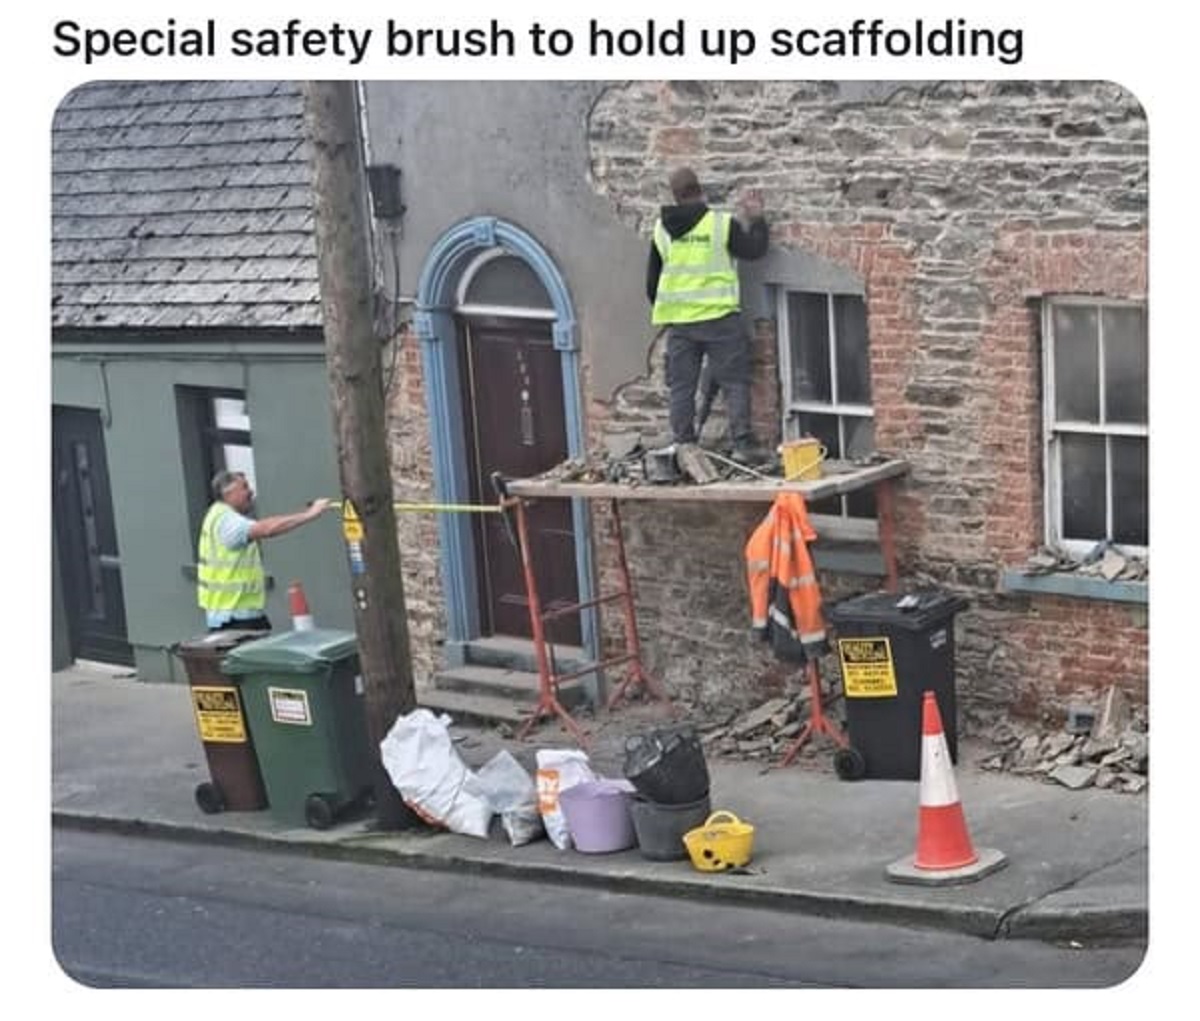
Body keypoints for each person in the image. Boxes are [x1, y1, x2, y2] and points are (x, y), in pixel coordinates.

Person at [646, 166, 769, 462]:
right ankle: (742, 444)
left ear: (675, 196)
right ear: (700, 190)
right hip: (720, 319)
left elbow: (652, 284)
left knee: (682, 387)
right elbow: (753, 250)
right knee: (734, 382)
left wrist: (673, 312)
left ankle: (684, 444)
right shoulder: (720, 224)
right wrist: (757, 219)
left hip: (681, 324)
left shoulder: (662, 230)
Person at [197, 470, 331, 632]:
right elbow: (267, 529)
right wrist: (309, 515)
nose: (251, 492)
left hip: (232, 615)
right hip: (235, 618)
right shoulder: (228, 521)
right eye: (244, 487)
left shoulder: (216, 515)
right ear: (228, 493)